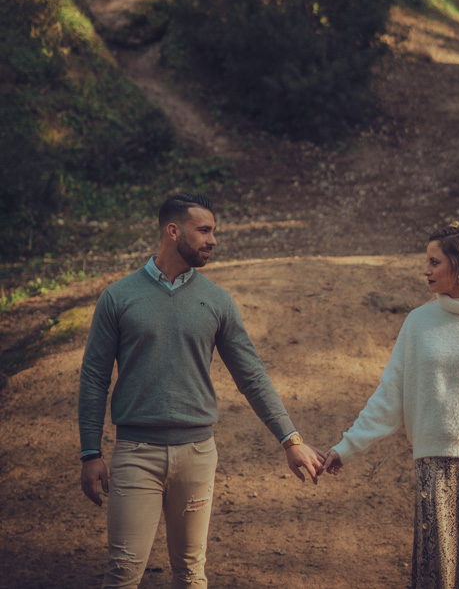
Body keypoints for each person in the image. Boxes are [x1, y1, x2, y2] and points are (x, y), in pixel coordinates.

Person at [79, 193, 324, 589]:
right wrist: (90, 451)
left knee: (192, 574)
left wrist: (290, 438)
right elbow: (93, 377)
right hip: (136, 454)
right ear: (173, 231)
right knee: (123, 573)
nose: (213, 240)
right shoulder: (119, 297)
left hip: (197, 455)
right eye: (204, 230)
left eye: (214, 232)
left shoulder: (217, 300)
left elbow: (252, 376)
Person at [323, 223, 459, 589]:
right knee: (440, 574)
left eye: (433, 261)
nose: (424, 270)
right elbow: (390, 395)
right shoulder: (418, 322)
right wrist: (346, 448)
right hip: (434, 471)